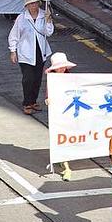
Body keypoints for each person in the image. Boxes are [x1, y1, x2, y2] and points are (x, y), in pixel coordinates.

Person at [8, 0, 54, 115]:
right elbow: (14, 35)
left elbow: (48, 32)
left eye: (35, 3)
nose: (33, 6)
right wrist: (13, 51)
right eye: (30, 4)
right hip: (25, 52)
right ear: (26, 6)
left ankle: (33, 101)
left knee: (37, 78)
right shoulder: (21, 18)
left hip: (40, 51)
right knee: (28, 79)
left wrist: (48, 20)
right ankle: (27, 103)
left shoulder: (44, 15)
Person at [44, 52, 78, 180]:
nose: (62, 68)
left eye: (64, 66)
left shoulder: (70, 78)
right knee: (60, 137)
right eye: (60, 66)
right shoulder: (51, 79)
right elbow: (47, 96)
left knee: (68, 138)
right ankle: (66, 168)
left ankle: (63, 160)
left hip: (70, 113)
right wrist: (48, 100)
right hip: (58, 114)